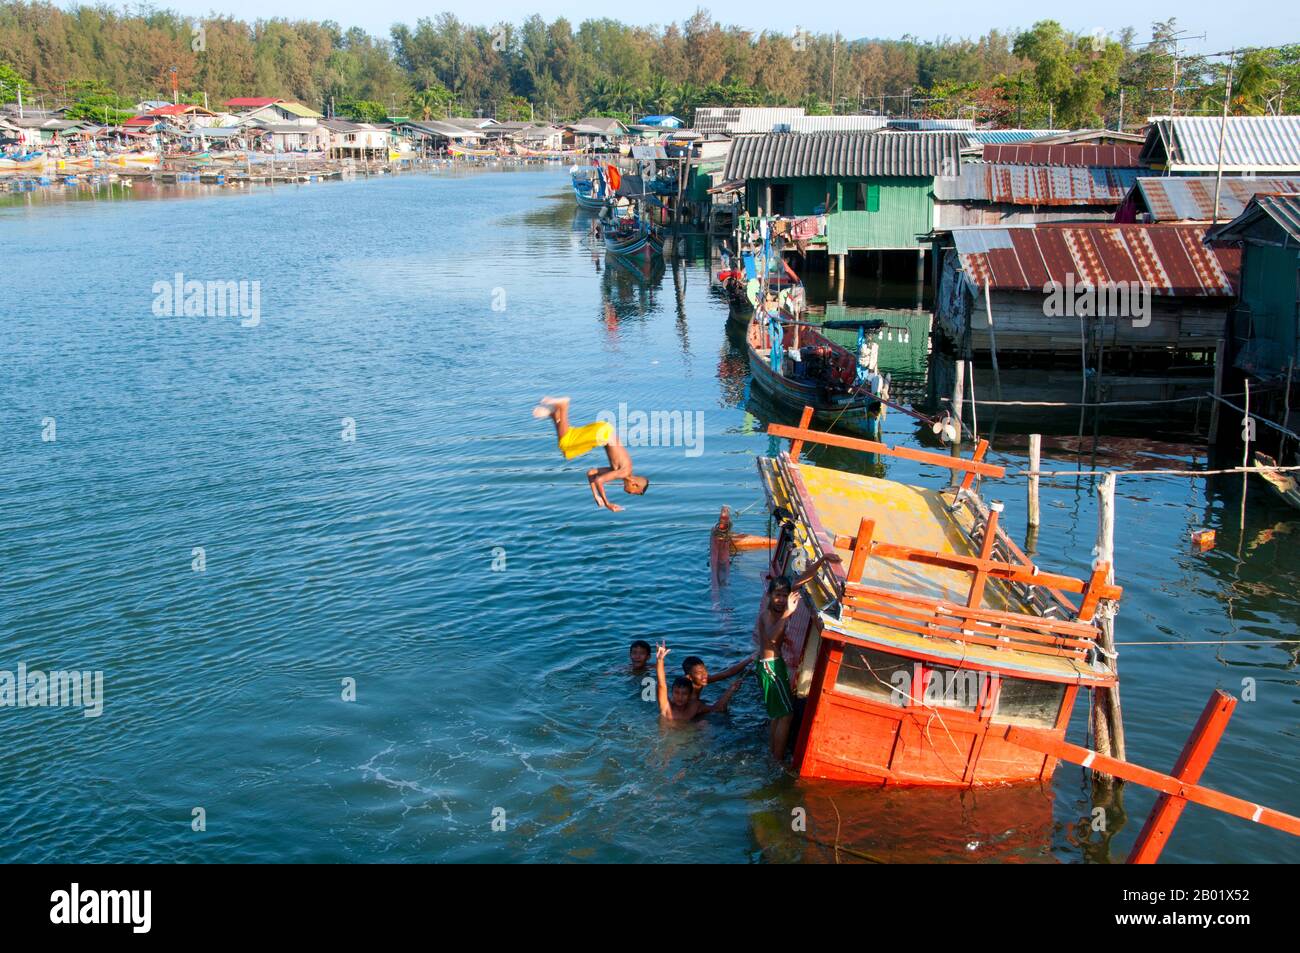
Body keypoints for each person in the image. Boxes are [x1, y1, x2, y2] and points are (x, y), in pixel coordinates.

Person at [754, 554, 841, 760]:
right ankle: (777, 760)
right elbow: (771, 641)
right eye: (777, 595)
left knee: (778, 714)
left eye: (785, 595)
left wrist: (822, 560)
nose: (781, 600)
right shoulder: (767, 615)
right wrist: (787, 613)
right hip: (770, 666)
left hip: (774, 664)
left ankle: (773, 755)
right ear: (769, 595)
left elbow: (803, 578)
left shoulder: (782, 603)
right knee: (786, 715)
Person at [533, 396, 648, 511]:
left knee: (567, 452)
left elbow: (591, 473)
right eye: (634, 493)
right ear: (635, 484)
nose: (631, 494)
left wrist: (596, 496)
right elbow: (599, 480)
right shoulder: (624, 472)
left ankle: (553, 414)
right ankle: (563, 406)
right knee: (566, 443)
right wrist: (607, 503)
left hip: (604, 430)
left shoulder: (621, 470)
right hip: (603, 435)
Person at [681, 653, 755, 712]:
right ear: (689, 677)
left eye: (705, 670)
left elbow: (728, 673)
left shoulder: (700, 679)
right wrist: (731, 690)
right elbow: (718, 709)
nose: (705, 675)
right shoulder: (688, 697)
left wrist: (750, 659)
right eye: (700, 673)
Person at [654, 643, 706, 722]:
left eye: (684, 694)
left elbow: (718, 708)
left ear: (690, 695)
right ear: (671, 693)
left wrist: (732, 687)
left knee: (703, 723)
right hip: (666, 734)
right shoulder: (666, 708)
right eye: (676, 693)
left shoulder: (694, 706)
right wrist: (660, 660)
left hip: (690, 732)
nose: (680, 697)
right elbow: (662, 685)